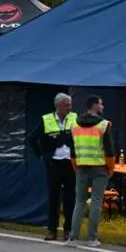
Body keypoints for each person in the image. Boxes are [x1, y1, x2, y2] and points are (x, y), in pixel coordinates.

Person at [66, 95, 115, 248]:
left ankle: (72, 238)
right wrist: (110, 168)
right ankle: (92, 238)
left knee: (79, 202)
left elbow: (72, 150)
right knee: (96, 202)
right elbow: (109, 150)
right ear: (94, 105)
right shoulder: (103, 125)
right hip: (99, 167)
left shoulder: (74, 124)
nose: (103, 107)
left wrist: (76, 166)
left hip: (81, 166)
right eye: (101, 104)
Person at [28, 92, 78, 241]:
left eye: (70, 104)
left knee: (70, 198)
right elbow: (32, 139)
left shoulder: (75, 118)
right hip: (54, 164)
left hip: (70, 163)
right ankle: (52, 229)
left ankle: (68, 229)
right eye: (66, 104)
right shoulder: (47, 120)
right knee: (53, 197)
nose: (70, 107)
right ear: (58, 105)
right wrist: (42, 155)